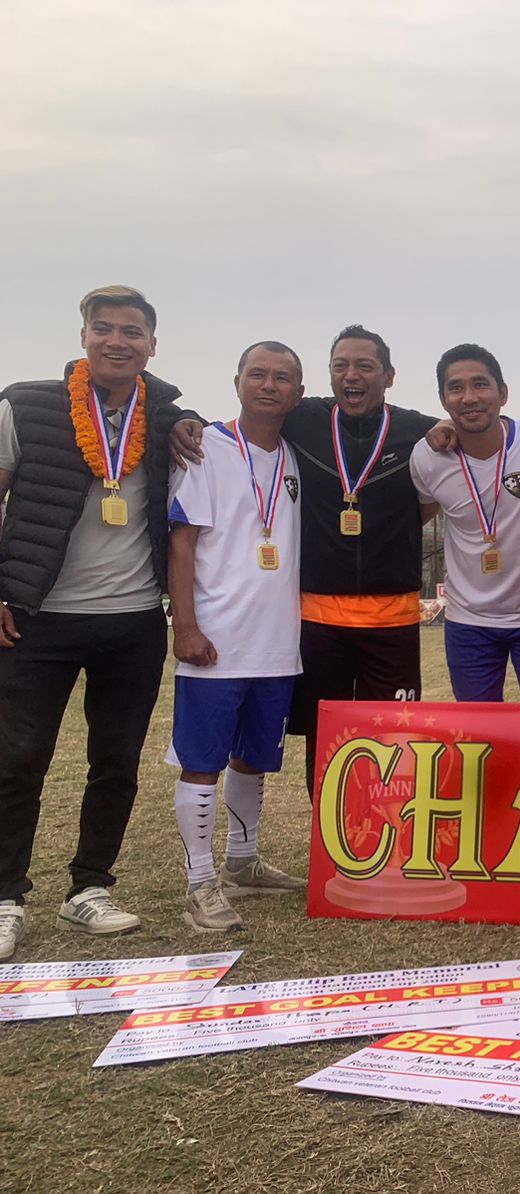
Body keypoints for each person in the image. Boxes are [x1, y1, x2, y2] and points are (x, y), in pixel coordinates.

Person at [0, 285, 191, 959]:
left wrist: (188, 421)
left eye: (132, 331)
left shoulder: (165, 417)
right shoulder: (24, 404)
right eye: (104, 328)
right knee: (18, 759)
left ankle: (90, 888)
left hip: (133, 621)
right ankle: (5, 898)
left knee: (115, 762)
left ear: (152, 345)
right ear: (83, 337)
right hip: (37, 618)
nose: (118, 341)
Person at [172, 325, 441, 798]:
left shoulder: (416, 430)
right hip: (319, 621)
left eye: (365, 366)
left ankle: (390, 836)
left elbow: (462, 436)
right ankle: (330, 835)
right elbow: (251, 416)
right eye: (341, 366)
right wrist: (181, 418)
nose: (351, 375)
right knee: (328, 743)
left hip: (392, 621)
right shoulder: (304, 419)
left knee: (395, 741)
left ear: (389, 375)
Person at [166, 342, 307, 932]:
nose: (269, 385)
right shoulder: (204, 448)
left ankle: (242, 862)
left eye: (282, 377)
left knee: (252, 759)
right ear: (237, 382)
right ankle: (200, 884)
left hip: (276, 645)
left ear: (299, 393)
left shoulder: (299, 456)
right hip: (215, 643)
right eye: (258, 374)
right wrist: (186, 626)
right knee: (202, 763)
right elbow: (182, 542)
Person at [409, 344, 520, 702]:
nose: (469, 397)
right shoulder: (428, 457)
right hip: (468, 621)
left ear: (503, 393)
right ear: (443, 400)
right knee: (477, 728)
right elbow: (419, 515)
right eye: (456, 388)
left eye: (480, 384)